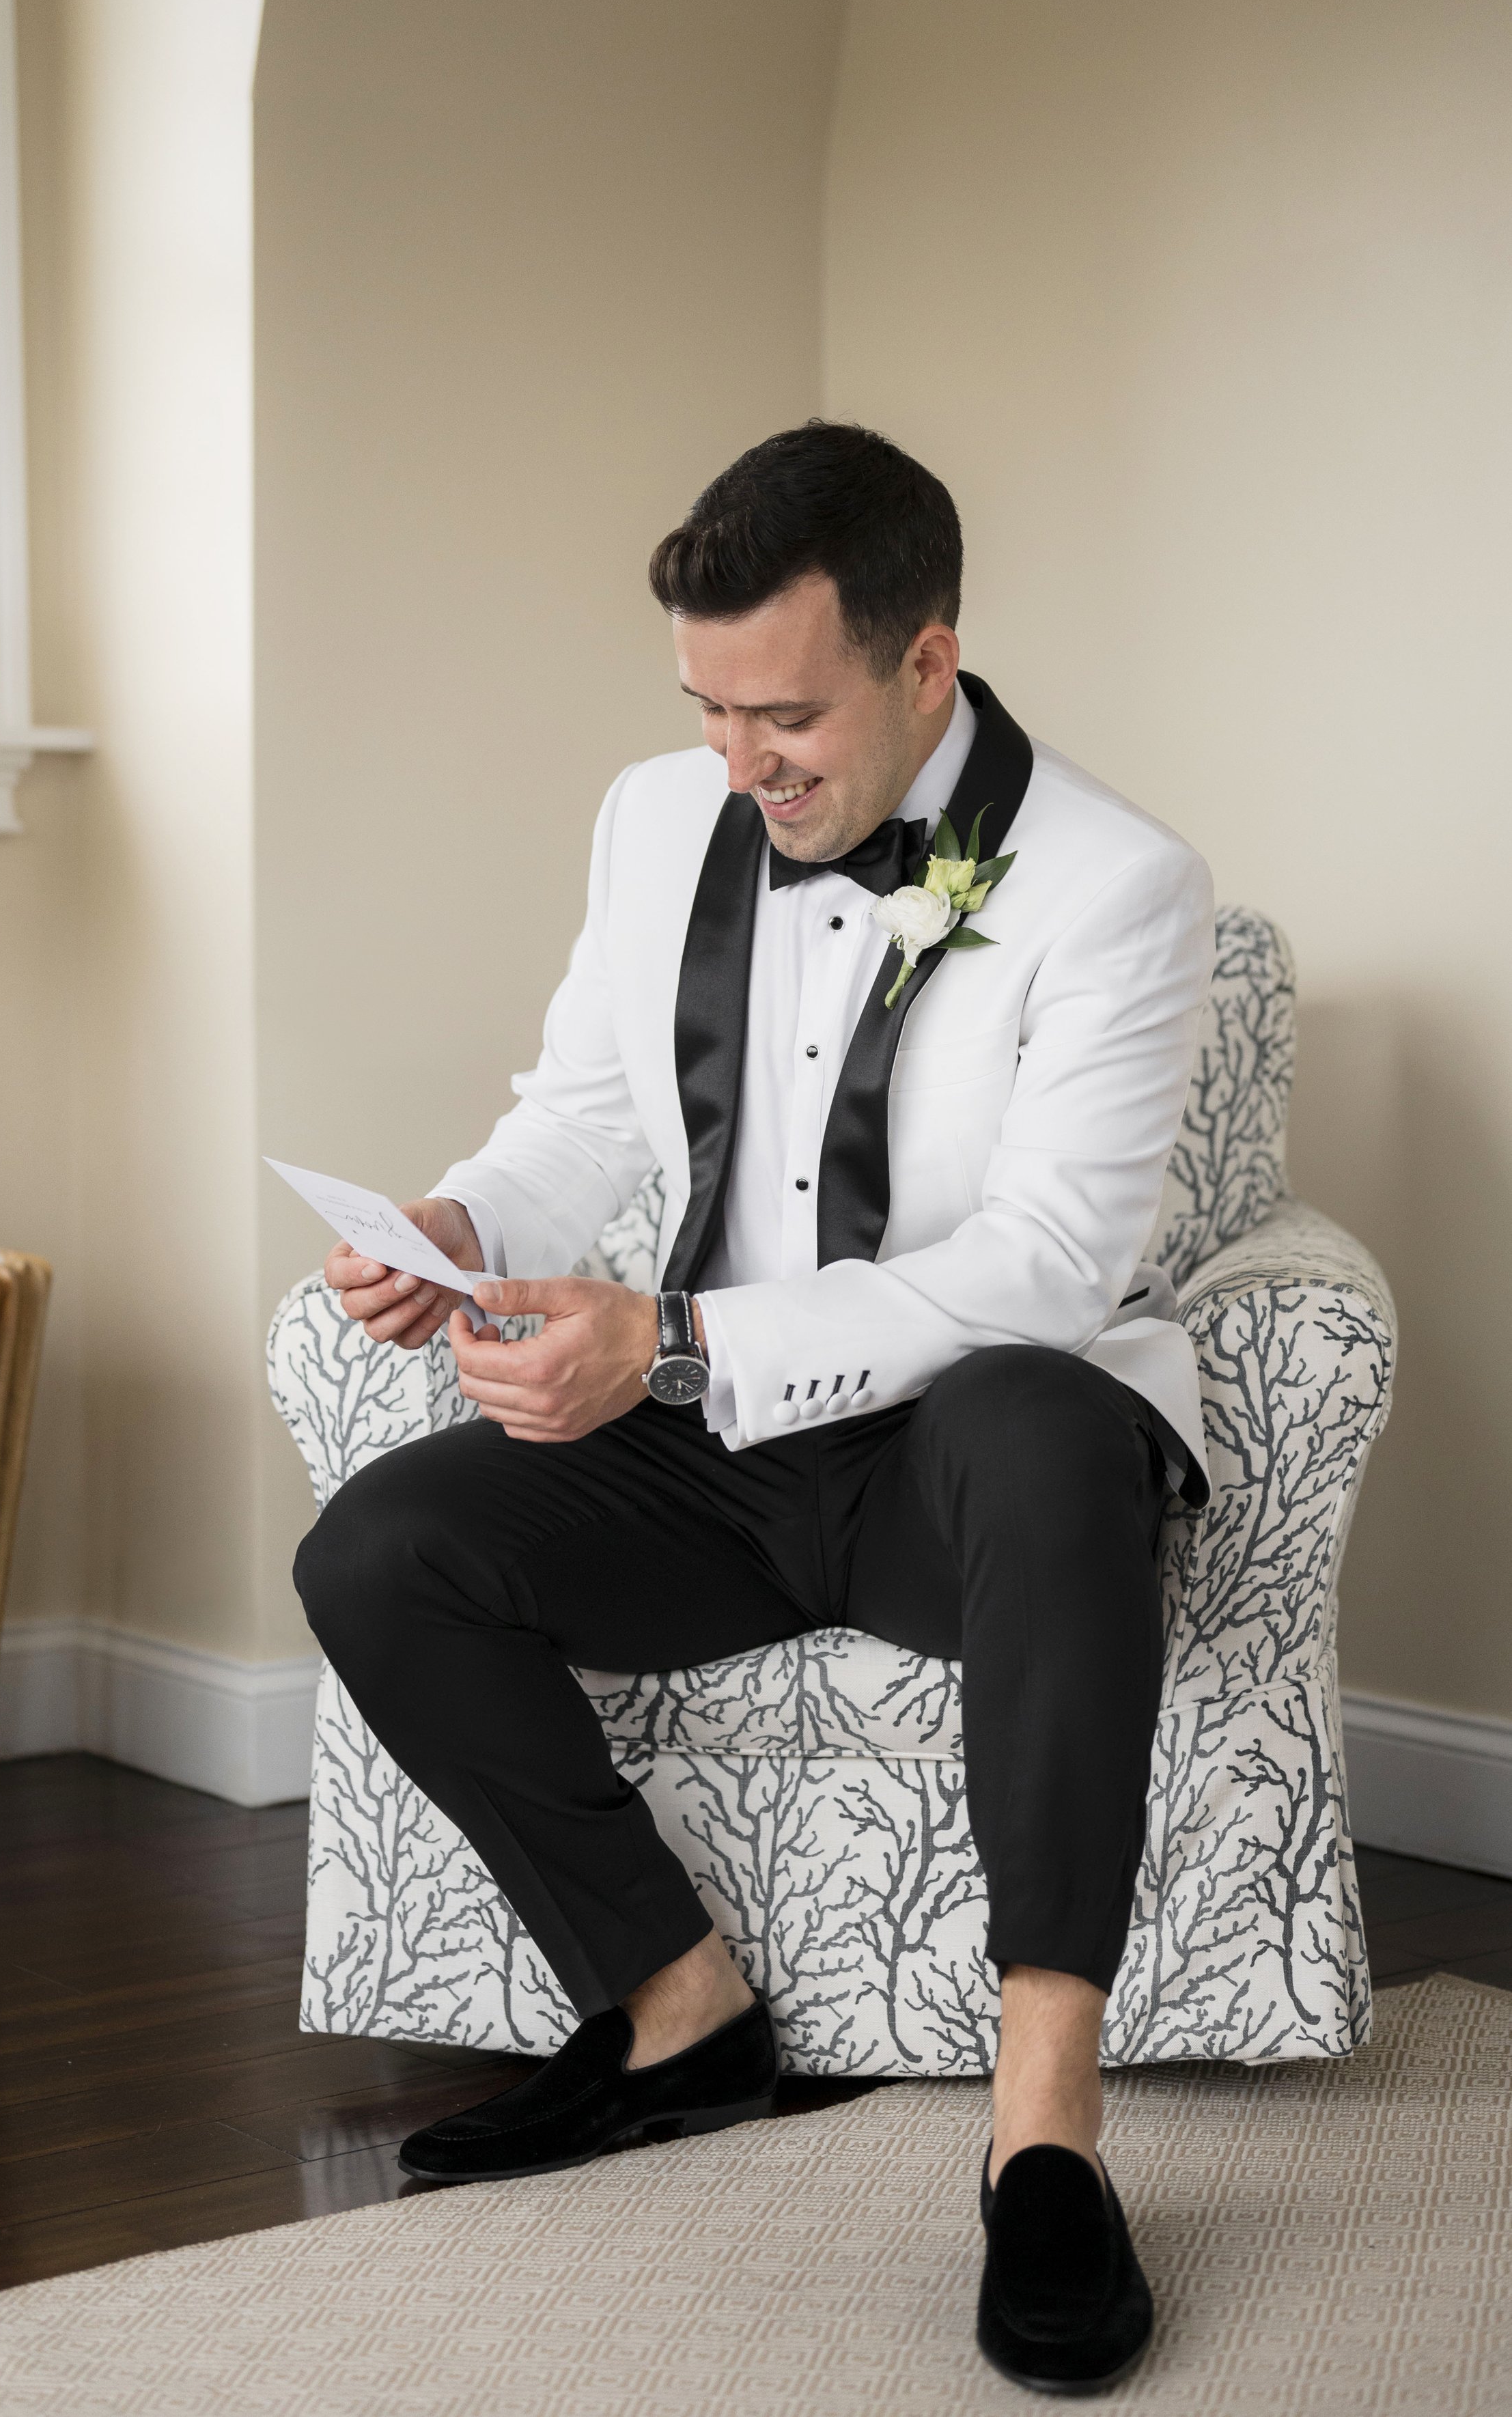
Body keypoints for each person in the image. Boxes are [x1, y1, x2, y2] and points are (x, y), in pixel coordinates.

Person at [293, 420, 1214, 2396]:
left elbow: (1052, 1259)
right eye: (705, 709)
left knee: (1053, 1420)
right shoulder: (652, 819)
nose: (739, 761)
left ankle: (1041, 2133)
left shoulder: (1117, 884)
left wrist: (684, 1343)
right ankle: (679, 2012)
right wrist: (459, 1219)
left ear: (922, 664)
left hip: (961, 1472)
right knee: (383, 1548)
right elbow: (587, 1112)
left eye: (782, 715)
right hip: (719, 1457)